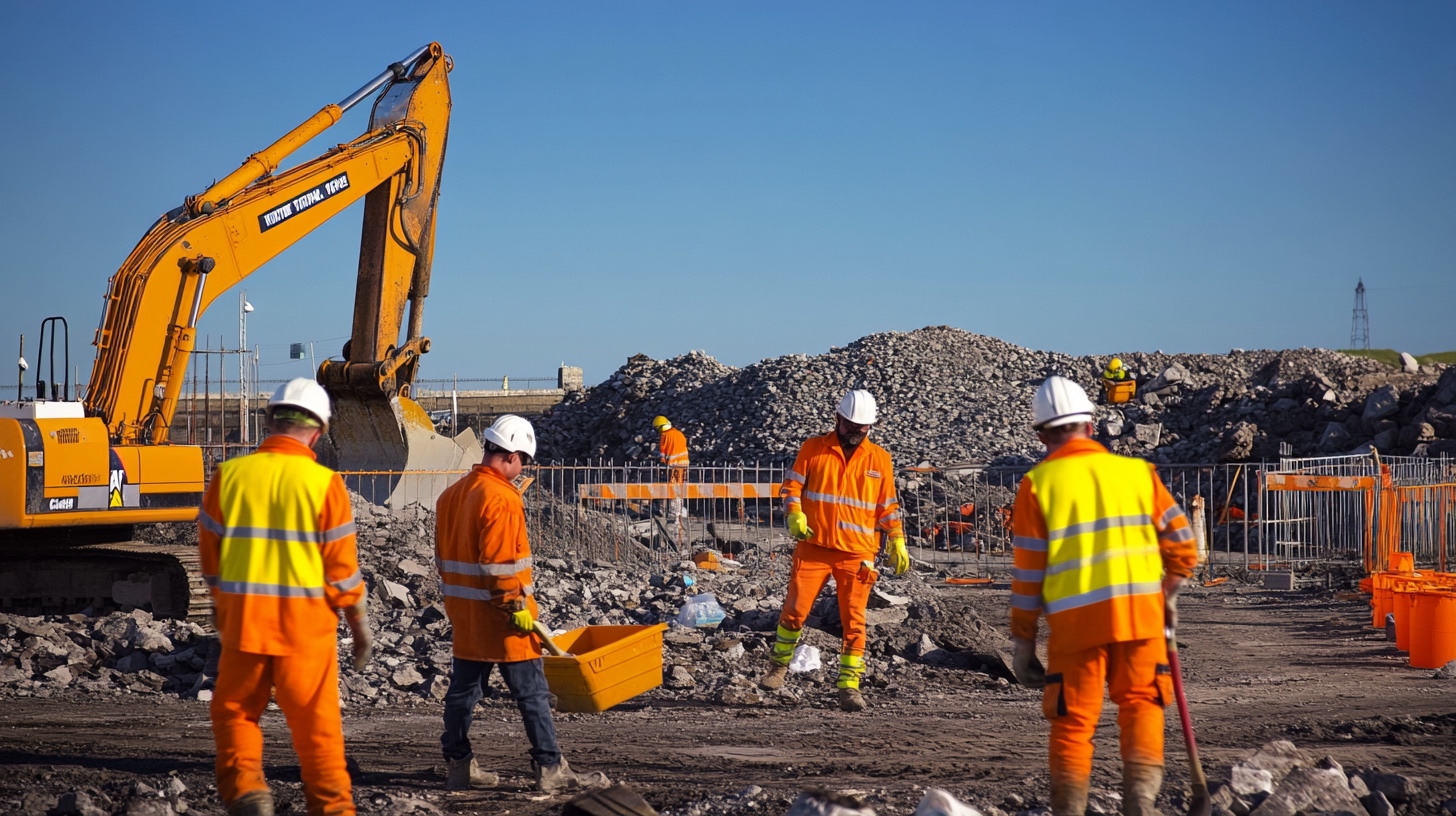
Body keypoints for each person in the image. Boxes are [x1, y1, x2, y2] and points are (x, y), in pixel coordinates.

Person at [1009, 376, 1198, 816]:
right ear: (1091, 427)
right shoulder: (1138, 474)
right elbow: (1184, 545)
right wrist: (1167, 593)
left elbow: (1028, 575)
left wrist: (1022, 641)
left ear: (1041, 435)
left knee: (1072, 723)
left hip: (1076, 628)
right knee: (1142, 707)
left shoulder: (1037, 485)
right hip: (1141, 620)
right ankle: (1140, 806)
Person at [198, 378, 372, 816]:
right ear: (319, 430)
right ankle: (333, 809)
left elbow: (210, 556)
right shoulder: (325, 484)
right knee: (319, 733)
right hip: (305, 633)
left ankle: (248, 793)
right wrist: (358, 623)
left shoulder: (230, 476)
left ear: (269, 420)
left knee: (236, 713)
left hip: (244, 628)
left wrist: (225, 608)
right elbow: (341, 570)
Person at [434, 414, 608, 794]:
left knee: (463, 693)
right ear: (512, 455)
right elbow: (497, 566)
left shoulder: (452, 495)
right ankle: (549, 767)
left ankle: (459, 765)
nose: (522, 469)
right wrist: (516, 606)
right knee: (532, 694)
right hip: (506, 618)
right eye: (524, 461)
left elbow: (448, 561)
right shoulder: (500, 497)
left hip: (465, 616)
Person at [760, 389, 909, 712]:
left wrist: (896, 536)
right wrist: (794, 512)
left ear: (872, 426)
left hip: (858, 553)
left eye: (863, 427)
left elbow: (887, 504)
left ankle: (849, 687)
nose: (856, 431)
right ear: (837, 419)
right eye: (851, 425)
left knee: (854, 621)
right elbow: (792, 486)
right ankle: (778, 666)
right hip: (814, 546)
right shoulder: (814, 448)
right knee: (795, 611)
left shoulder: (879, 458)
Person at [653, 415, 689, 519]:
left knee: (673, 488)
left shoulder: (666, 435)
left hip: (673, 465)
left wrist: (662, 461)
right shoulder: (679, 433)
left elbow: (663, 453)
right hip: (684, 464)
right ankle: (679, 510)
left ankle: (673, 512)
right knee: (680, 488)